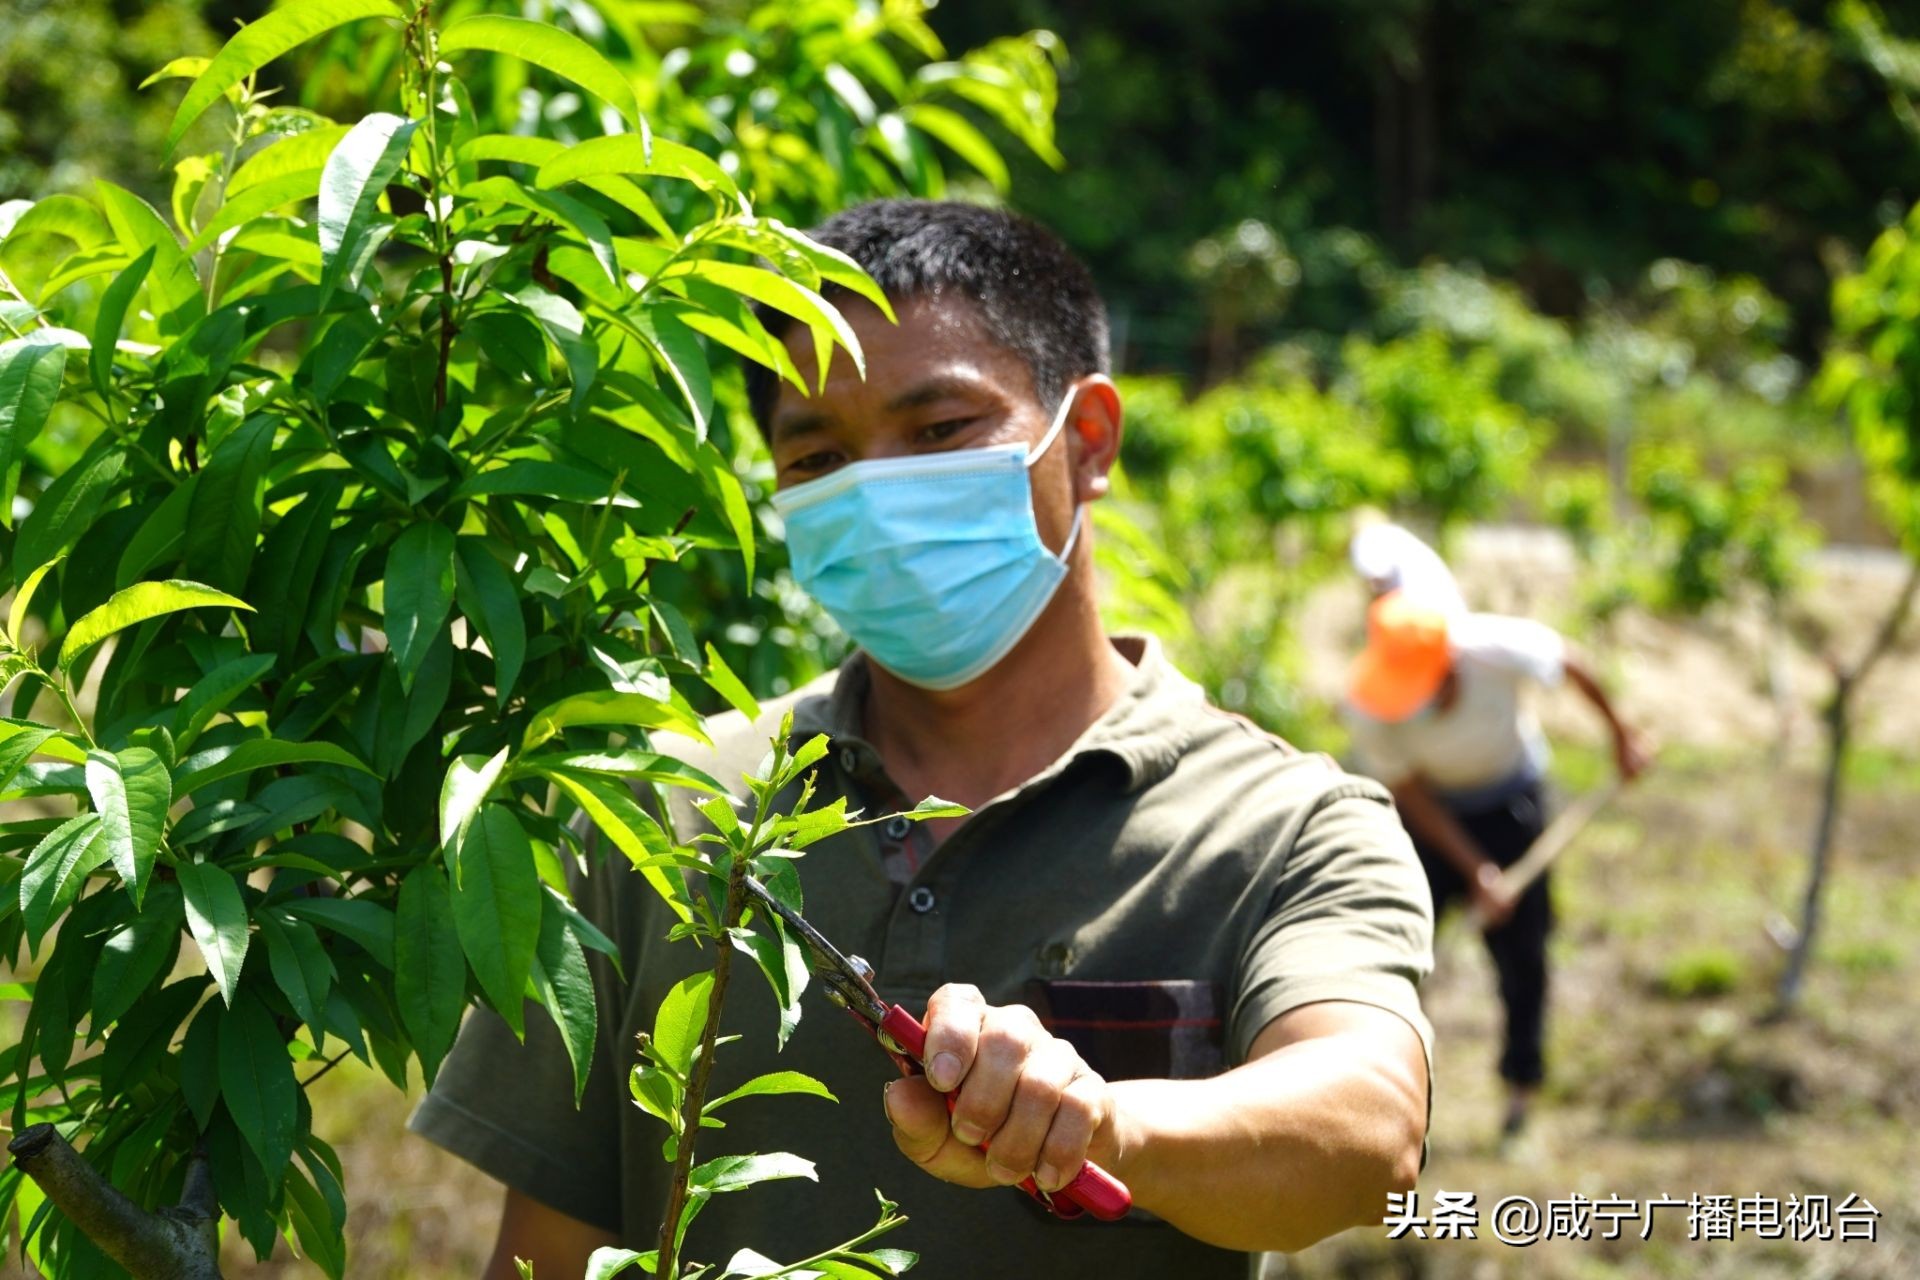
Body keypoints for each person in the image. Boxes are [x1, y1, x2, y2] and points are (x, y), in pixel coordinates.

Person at [411, 200, 1434, 1278]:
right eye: (817, 454)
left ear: (1088, 440)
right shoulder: (662, 804)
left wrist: (1100, 1124)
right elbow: (544, 1249)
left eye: (941, 429)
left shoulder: (1286, 826)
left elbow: (1368, 1130)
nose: (878, 491)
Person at [1342, 590, 1648, 1137]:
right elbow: (1409, 791)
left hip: (1511, 802)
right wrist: (1476, 869)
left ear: (1449, 666)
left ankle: (1520, 1094)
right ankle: (1391, 1089)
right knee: (1401, 949)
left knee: (1525, 954)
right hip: (1434, 816)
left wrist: (1621, 737)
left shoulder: (1493, 647)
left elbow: (1572, 663)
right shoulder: (1369, 705)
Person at [1348, 516, 1467, 617]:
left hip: (1423, 615)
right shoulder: (1397, 535)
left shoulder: (1368, 537)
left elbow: (1377, 576)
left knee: (1382, 615)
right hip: (1446, 613)